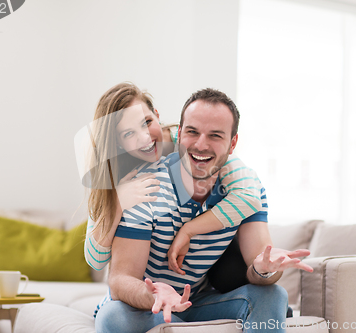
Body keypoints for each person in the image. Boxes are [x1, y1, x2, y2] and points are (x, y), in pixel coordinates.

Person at [93, 88, 313, 333]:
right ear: (179, 133)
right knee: (113, 317)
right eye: (192, 132)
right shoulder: (145, 188)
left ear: (233, 144)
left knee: (273, 295)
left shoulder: (246, 192)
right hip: (148, 306)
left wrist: (264, 269)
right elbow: (120, 279)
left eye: (215, 136)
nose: (201, 144)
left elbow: (259, 270)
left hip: (197, 302)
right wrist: (154, 295)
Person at [83, 83, 263, 276]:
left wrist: (189, 230)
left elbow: (250, 197)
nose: (144, 138)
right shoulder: (114, 174)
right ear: (118, 143)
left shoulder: (191, 142)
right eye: (128, 133)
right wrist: (117, 203)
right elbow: (96, 260)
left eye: (146, 122)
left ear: (157, 116)